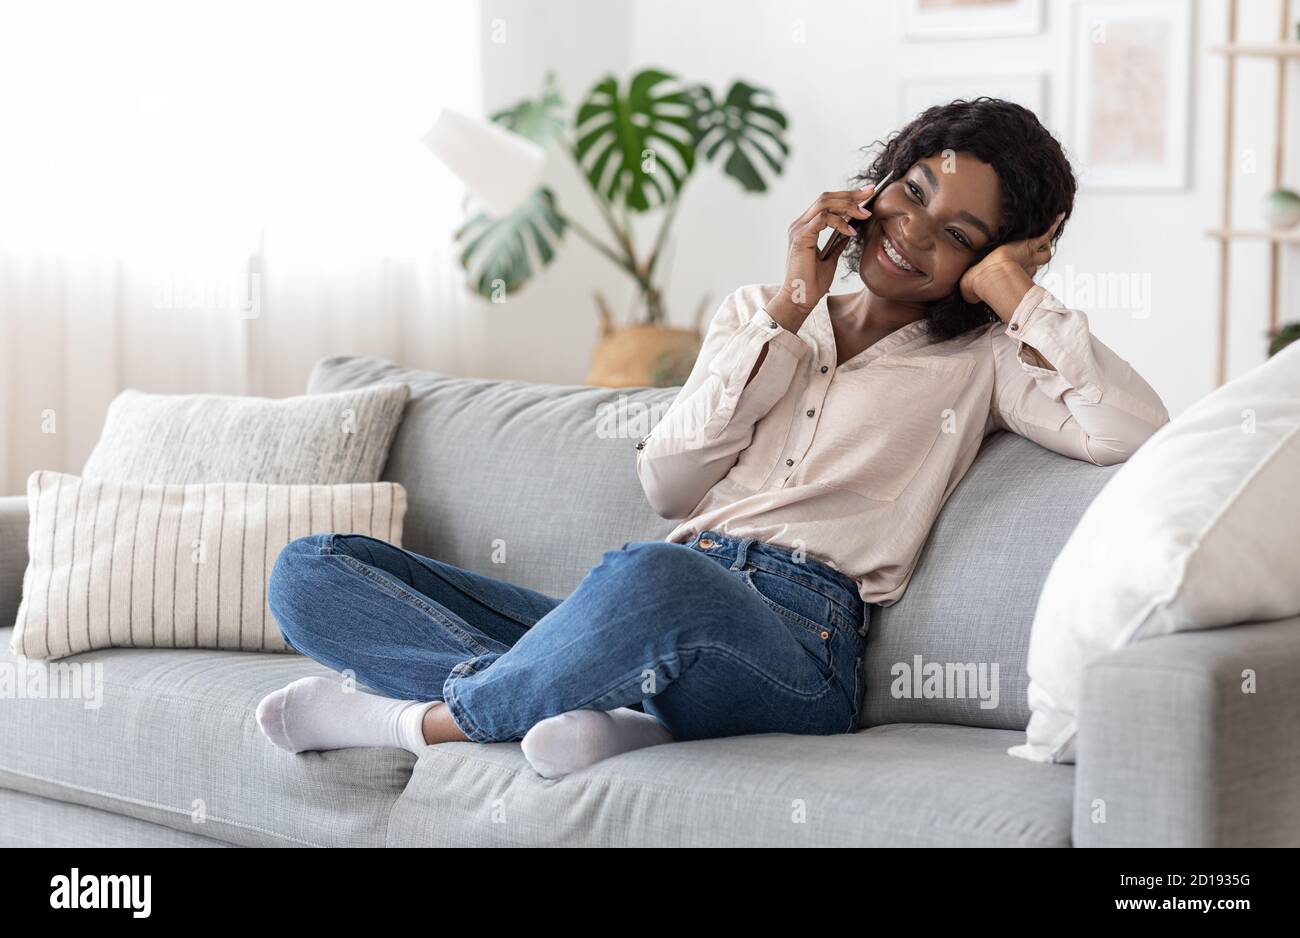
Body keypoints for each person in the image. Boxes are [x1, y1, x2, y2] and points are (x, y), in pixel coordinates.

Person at [256, 98, 1169, 778]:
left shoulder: (989, 362)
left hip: (797, 650)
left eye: (960, 233)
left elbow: (1135, 432)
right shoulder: (756, 316)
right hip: (661, 603)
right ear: (879, 178)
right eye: (913, 192)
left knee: (646, 577)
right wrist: (787, 309)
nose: (912, 233)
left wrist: (1020, 298)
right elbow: (668, 485)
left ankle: (415, 724)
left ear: (987, 260)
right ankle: (619, 707)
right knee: (313, 568)